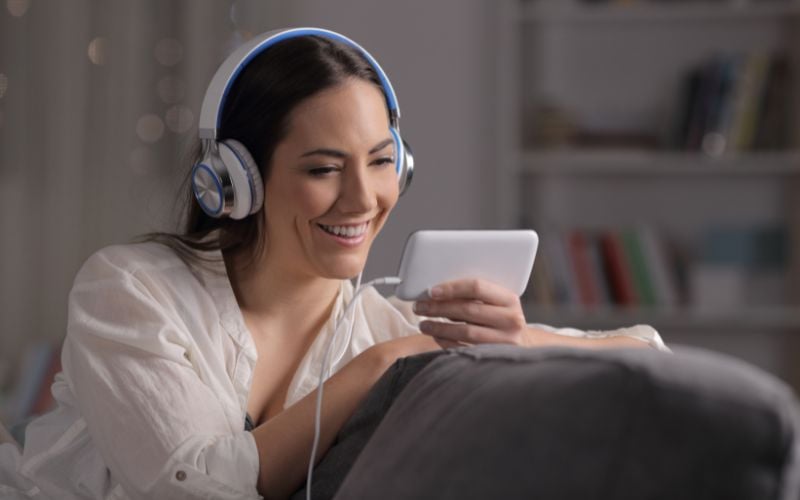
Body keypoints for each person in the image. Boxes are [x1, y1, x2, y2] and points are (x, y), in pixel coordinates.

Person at [0, 28, 667, 500]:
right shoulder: (129, 289)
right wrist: (377, 367)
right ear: (235, 181)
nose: (363, 199)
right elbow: (195, 487)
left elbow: (648, 355)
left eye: (381, 162)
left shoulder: (394, 320)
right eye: (323, 169)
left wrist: (518, 342)